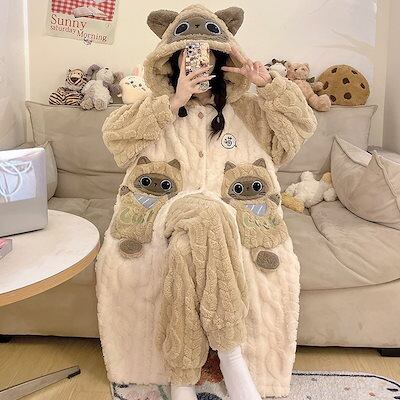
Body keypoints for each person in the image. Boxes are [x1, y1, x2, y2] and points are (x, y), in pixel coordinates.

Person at [96, 5, 317, 400]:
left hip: (225, 219)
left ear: (218, 58)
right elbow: (115, 138)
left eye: (203, 53)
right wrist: (174, 100)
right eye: (186, 53)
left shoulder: (247, 110)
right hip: (165, 210)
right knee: (205, 210)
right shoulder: (157, 106)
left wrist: (268, 85)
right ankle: (232, 357)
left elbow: (300, 130)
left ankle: (182, 377)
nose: (196, 61)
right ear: (171, 60)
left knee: (188, 246)